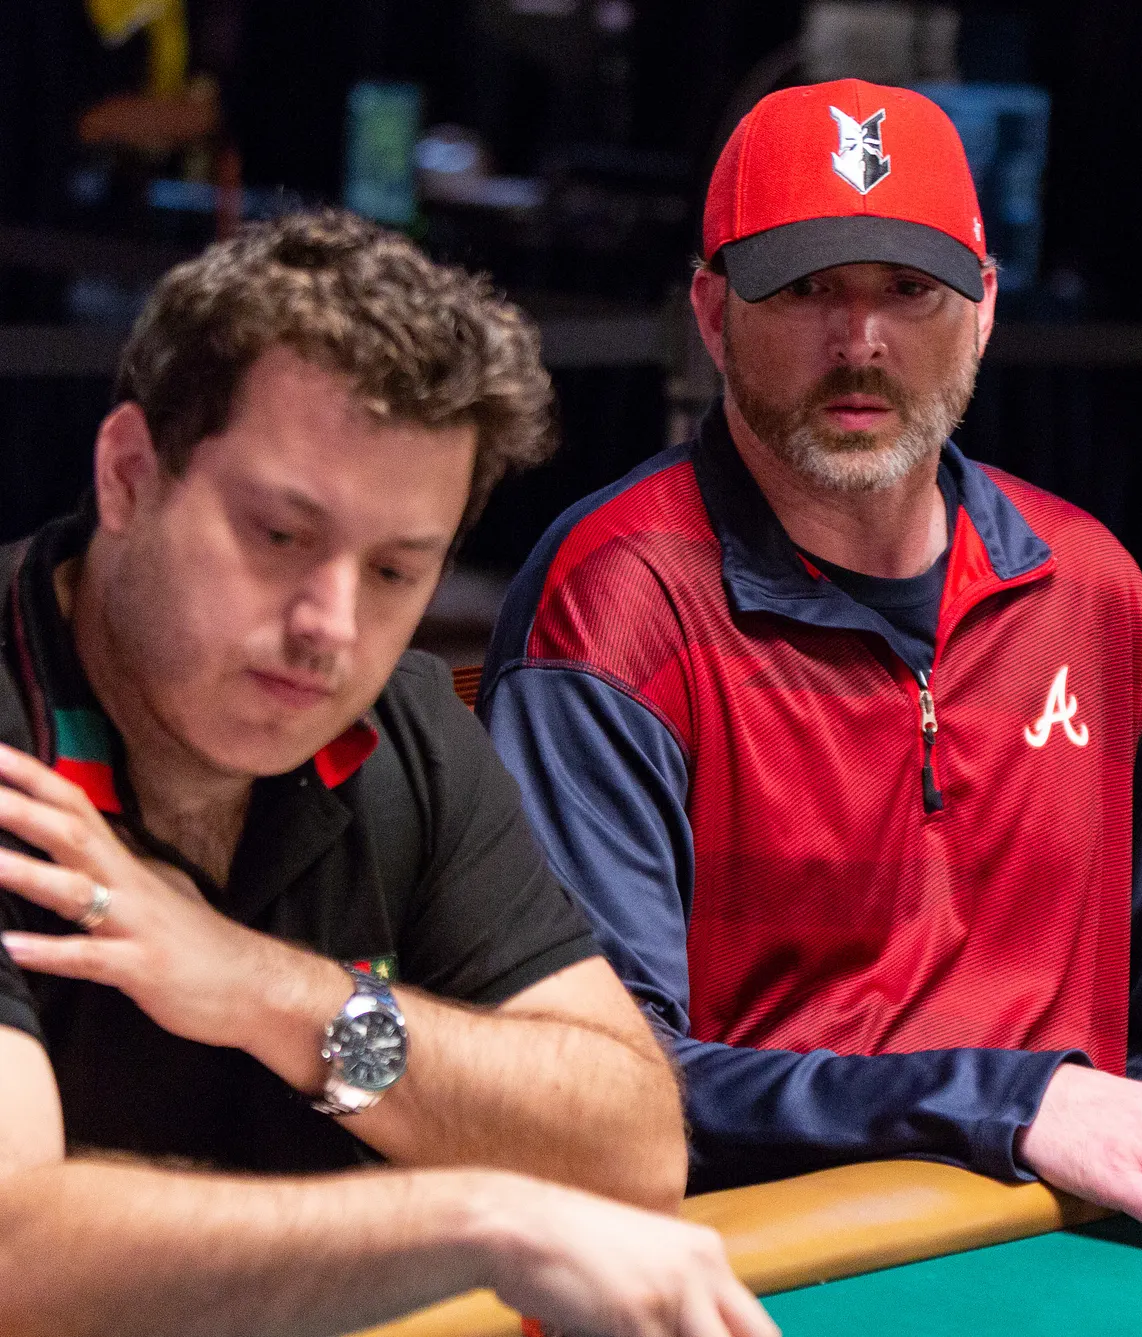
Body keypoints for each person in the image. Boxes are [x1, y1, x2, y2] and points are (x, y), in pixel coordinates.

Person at [481, 79, 1142, 1274]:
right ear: (712, 312)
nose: (861, 343)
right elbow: (603, 1081)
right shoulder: (613, 604)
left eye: (909, 290)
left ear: (983, 309)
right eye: (805, 290)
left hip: (1074, 1245)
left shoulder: (1092, 591)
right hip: (770, 1261)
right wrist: (1008, 1102)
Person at [0, 211, 775, 1337]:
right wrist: (479, 1217)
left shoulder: (403, 727)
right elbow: (11, 1249)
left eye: (396, 569)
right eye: (278, 535)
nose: (331, 624)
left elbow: (633, 1147)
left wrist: (275, 995)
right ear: (128, 475)